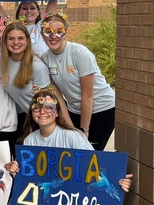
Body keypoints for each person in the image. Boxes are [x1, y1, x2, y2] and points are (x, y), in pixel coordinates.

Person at [17, 90, 131, 205]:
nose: (42, 112)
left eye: (49, 108)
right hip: (49, 199)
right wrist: (14, 168)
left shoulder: (72, 136)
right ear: (31, 113)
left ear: (57, 112)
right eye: (37, 108)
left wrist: (118, 180)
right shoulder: (29, 140)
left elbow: (96, 166)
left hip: (73, 199)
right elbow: (28, 177)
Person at [39, 12, 116, 151]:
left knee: (90, 153)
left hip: (102, 108)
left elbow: (87, 96)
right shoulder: (45, 59)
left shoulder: (80, 53)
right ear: (42, 33)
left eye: (59, 32)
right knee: (72, 150)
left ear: (66, 32)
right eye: (48, 32)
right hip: (74, 109)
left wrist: (84, 130)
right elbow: (59, 97)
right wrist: (70, 127)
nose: (53, 36)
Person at [0, 21, 56, 132]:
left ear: (27, 41)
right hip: (23, 118)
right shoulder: (4, 63)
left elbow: (47, 102)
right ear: (5, 41)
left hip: (42, 120)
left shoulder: (37, 66)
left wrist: (38, 126)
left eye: (20, 38)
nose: (16, 42)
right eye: (11, 39)